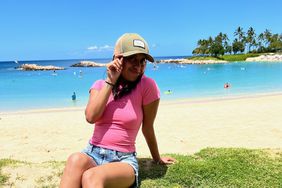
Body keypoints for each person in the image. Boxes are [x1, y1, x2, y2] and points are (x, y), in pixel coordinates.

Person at [60, 33, 176, 188]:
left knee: (91, 176)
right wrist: (110, 81)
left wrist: (157, 158)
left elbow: (148, 127)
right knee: (74, 159)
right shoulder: (100, 85)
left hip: (124, 160)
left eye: (142, 61)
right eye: (132, 59)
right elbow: (91, 117)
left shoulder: (148, 86)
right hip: (92, 153)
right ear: (117, 59)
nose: (138, 66)